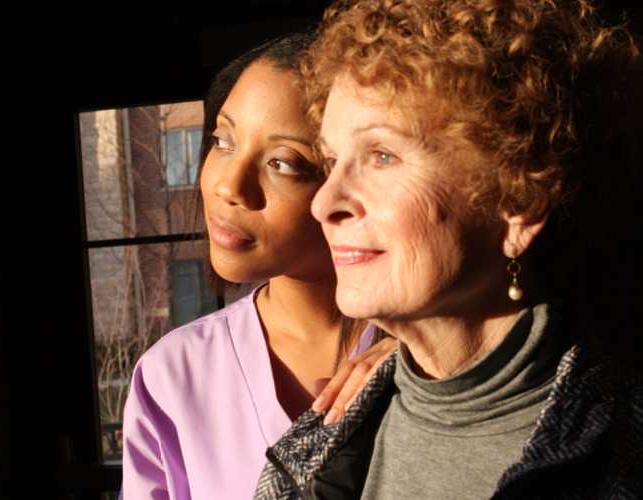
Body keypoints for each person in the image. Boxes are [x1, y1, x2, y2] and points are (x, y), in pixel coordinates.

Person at [255, 0, 643, 498]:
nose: (324, 203)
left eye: (382, 156)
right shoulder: (310, 451)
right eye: (332, 161)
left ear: (521, 198)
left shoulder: (625, 459)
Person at [120, 33, 393, 499]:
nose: (228, 185)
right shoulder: (171, 375)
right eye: (222, 141)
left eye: (282, 162)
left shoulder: (433, 356)